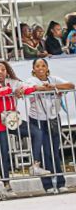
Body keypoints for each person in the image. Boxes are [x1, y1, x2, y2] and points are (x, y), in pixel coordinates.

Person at [0, 60, 32, 198]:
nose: (0, 72)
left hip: (12, 120)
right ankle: (6, 184)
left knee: (35, 132)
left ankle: (36, 164)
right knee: (4, 152)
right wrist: (11, 91)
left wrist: (28, 89)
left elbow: (26, 87)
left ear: (7, 70)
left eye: (3, 69)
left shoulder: (12, 81)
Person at [26, 58, 73, 192]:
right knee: (44, 152)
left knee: (54, 151)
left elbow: (71, 85)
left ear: (47, 67)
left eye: (43, 65)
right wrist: (41, 88)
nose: (40, 68)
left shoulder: (54, 79)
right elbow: (29, 89)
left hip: (53, 118)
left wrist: (53, 87)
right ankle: (47, 184)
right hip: (38, 119)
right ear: (33, 69)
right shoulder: (31, 80)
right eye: (37, 66)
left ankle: (60, 182)